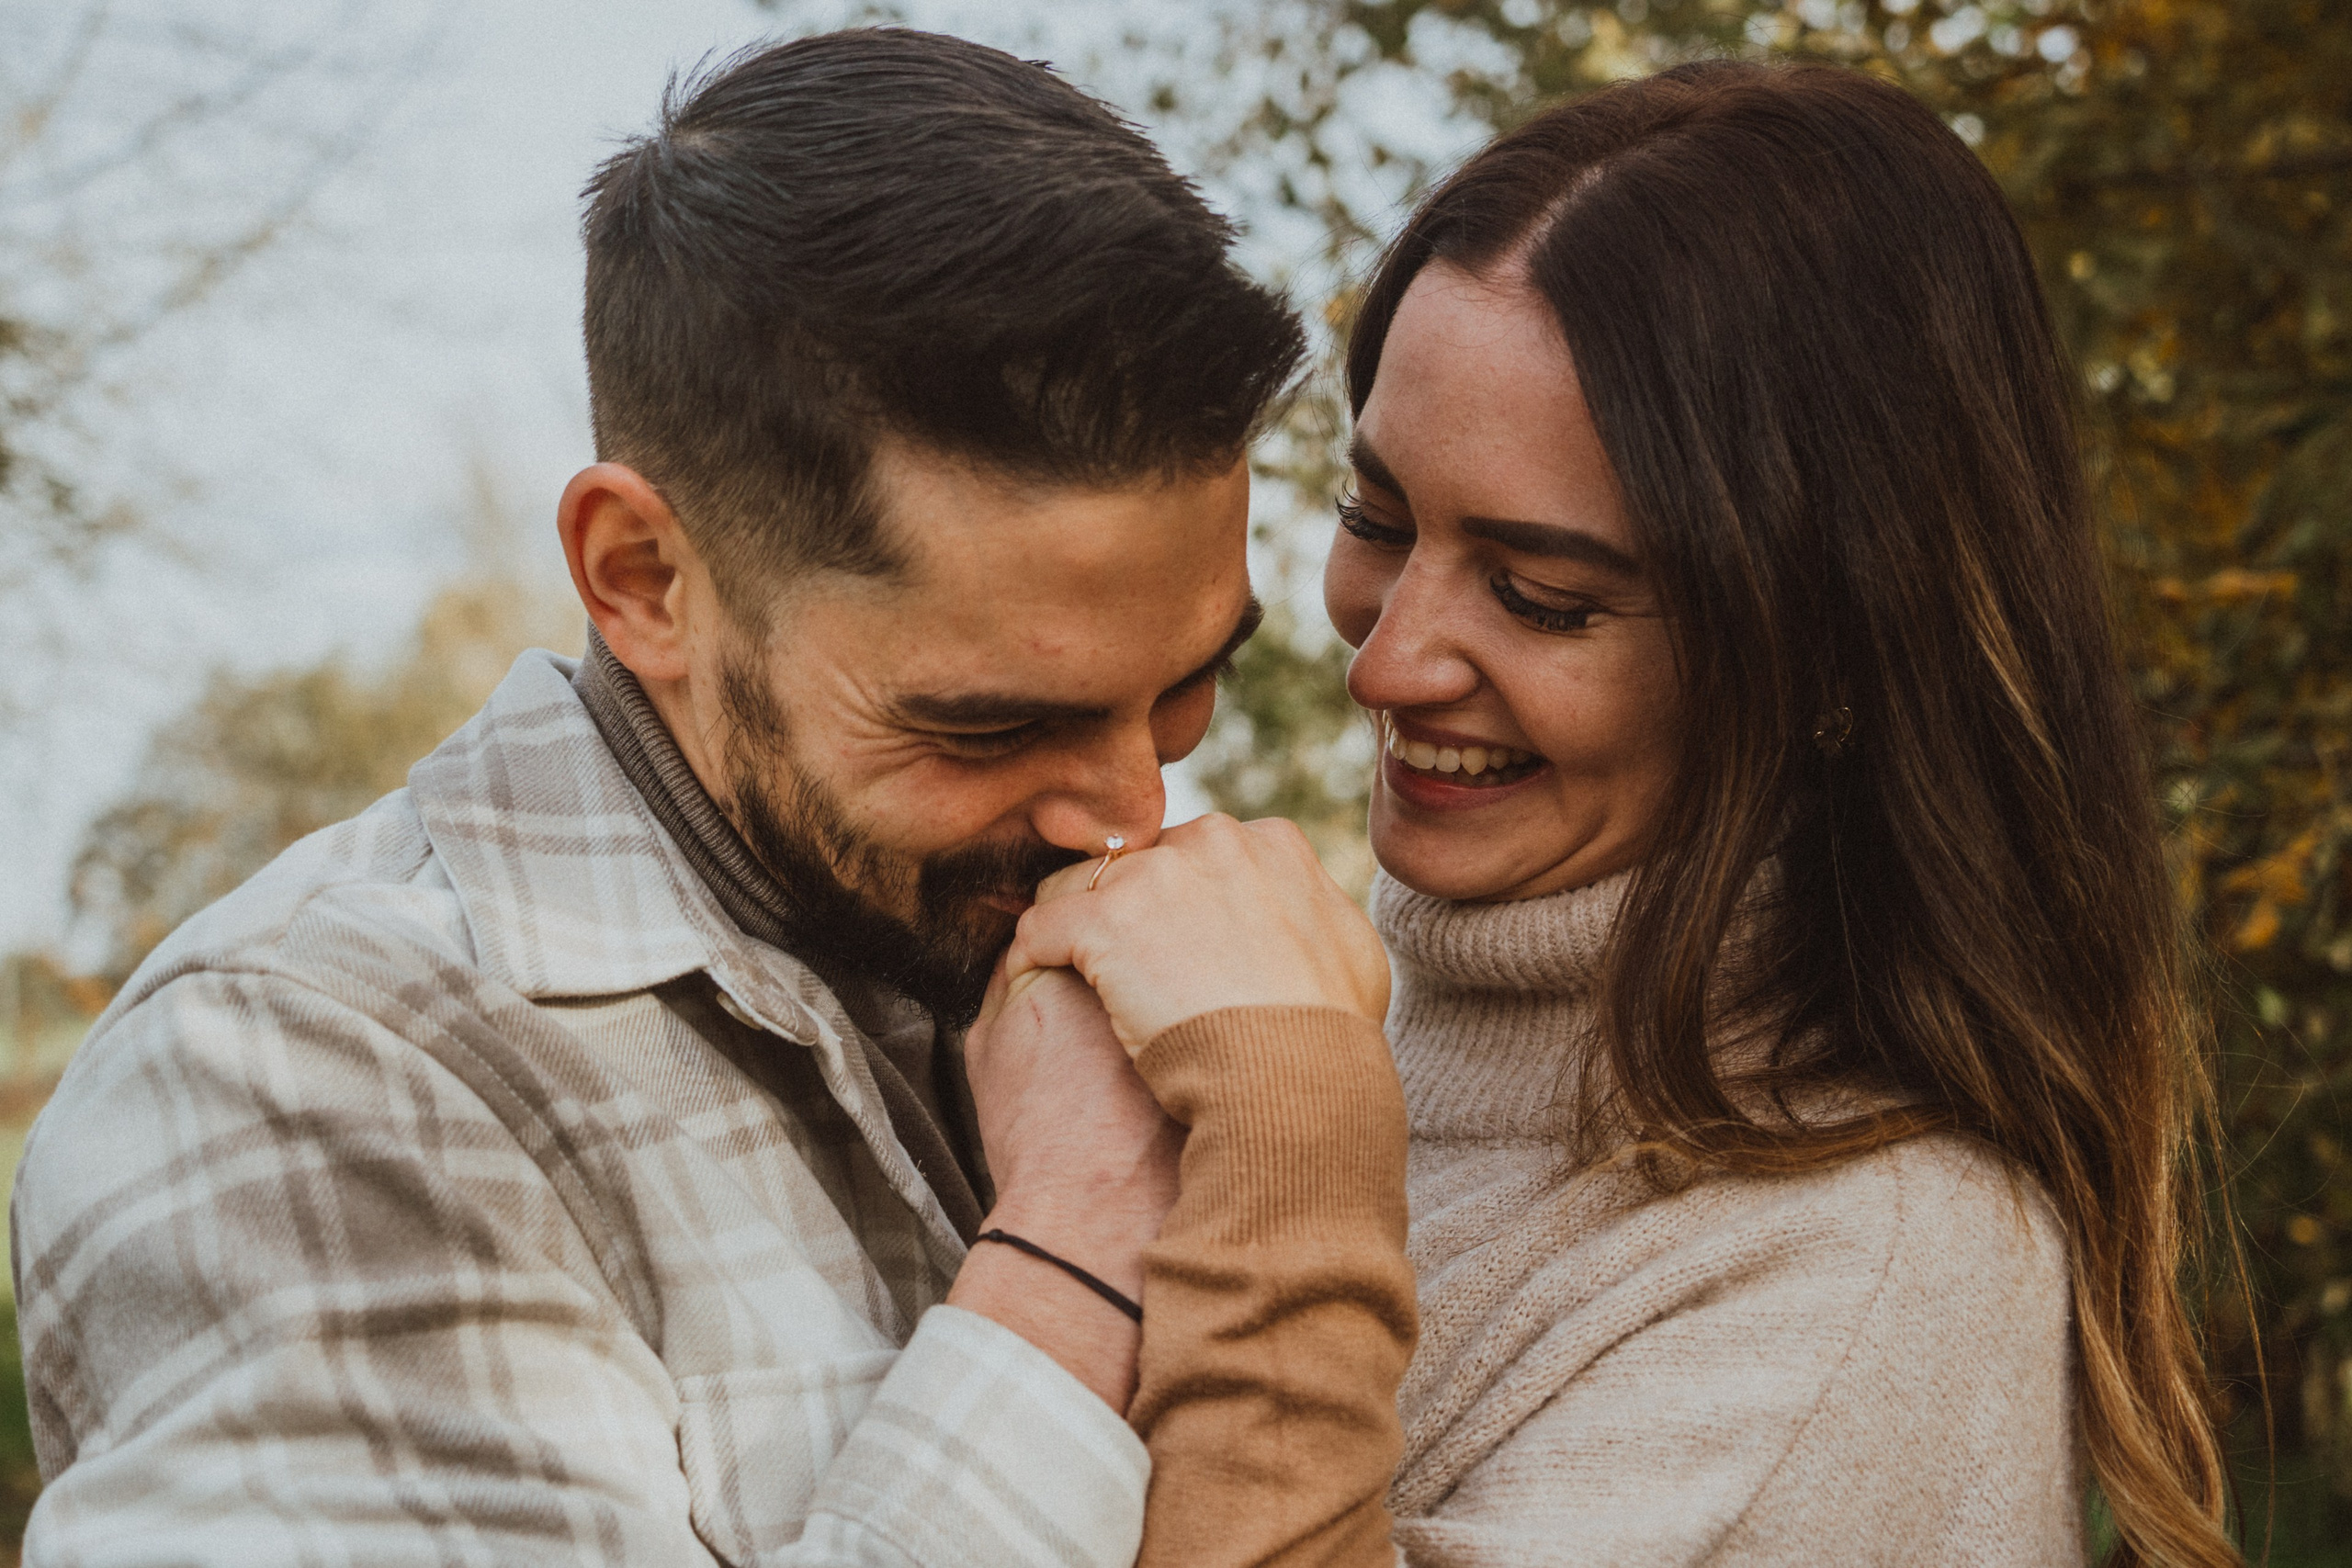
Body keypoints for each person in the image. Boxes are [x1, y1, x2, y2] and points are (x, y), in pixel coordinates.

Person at [7, 30, 1412, 1565]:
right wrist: (1078, 1239)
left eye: (1187, 687)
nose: (1129, 813)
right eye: (989, 725)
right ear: (646, 579)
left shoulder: (1120, 971)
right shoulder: (296, 1075)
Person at [1007, 61, 2245, 1568]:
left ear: (1826, 651)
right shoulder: (1342, 1062)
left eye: (1543, 596)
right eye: (1375, 519)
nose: (1384, 659)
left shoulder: (1871, 1279)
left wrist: (1288, 1132)